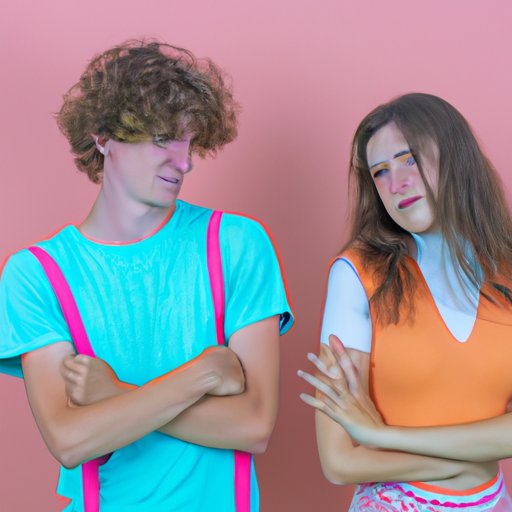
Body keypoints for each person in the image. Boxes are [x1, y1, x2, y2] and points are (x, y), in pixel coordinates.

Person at [0, 40, 293, 511]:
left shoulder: (235, 243)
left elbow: (254, 425)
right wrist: (201, 374)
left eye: (189, 141)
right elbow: (70, 440)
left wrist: (115, 396)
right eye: (162, 138)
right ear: (102, 137)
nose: (184, 161)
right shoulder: (36, 275)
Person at [299, 93, 512, 511]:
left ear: (456, 157)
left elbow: (362, 444)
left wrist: (381, 436)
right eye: (380, 172)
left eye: (409, 159)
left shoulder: (507, 271)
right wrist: (471, 464)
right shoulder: (357, 274)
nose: (396, 184)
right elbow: (339, 461)